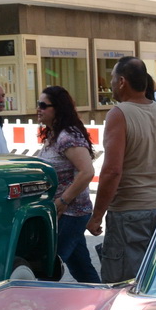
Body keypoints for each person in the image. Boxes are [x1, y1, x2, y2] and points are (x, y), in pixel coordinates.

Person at [88, 57, 156, 283]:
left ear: (122, 81)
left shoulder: (119, 114)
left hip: (129, 212)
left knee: (123, 284)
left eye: (112, 78)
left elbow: (112, 171)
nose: (111, 84)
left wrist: (97, 215)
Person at [34, 85, 100, 283]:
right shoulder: (54, 135)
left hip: (71, 213)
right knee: (82, 269)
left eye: (43, 105)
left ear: (58, 108)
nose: (38, 109)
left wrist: (63, 201)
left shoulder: (67, 136)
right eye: (38, 104)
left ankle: (39, 301)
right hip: (68, 213)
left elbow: (87, 171)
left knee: (49, 269)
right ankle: (97, 298)